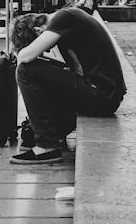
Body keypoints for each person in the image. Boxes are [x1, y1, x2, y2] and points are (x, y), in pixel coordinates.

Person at [8, 8, 127, 164]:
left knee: (25, 70)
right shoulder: (67, 25)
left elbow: (26, 56)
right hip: (102, 95)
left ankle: (47, 146)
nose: (48, 49)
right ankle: (49, 139)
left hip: (101, 94)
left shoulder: (63, 18)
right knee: (29, 134)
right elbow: (75, 72)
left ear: (38, 31)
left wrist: (22, 52)